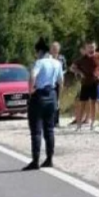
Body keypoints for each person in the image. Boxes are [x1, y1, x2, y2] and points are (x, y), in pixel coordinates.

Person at [25, 39, 64, 171]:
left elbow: (32, 75)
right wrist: (58, 98)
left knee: (36, 130)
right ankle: (49, 159)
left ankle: (35, 160)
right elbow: (61, 81)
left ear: (39, 52)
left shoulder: (39, 62)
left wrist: (30, 91)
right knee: (49, 129)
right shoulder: (57, 63)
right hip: (52, 95)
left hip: (40, 95)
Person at [70, 40, 99, 130]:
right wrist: (79, 72)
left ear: (96, 47)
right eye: (89, 47)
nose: (91, 49)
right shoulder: (81, 59)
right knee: (82, 103)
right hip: (85, 83)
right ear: (86, 49)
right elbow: (72, 68)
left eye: (92, 47)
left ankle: (92, 123)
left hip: (95, 83)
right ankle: (79, 124)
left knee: (93, 103)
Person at [50, 41, 66, 126]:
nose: (54, 50)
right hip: (49, 82)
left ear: (59, 49)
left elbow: (65, 69)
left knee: (57, 101)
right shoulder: (47, 58)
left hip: (58, 82)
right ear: (50, 49)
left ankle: (56, 121)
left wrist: (61, 76)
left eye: (56, 48)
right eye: (53, 48)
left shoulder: (62, 58)